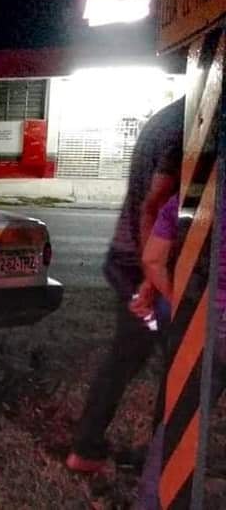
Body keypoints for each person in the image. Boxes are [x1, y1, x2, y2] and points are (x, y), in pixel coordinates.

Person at [66, 97, 186, 474]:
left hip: (134, 260)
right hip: (147, 265)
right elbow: (155, 203)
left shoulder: (169, 118)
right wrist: (153, 279)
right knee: (180, 363)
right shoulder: (189, 125)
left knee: (129, 357)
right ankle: (158, 461)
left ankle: (91, 449)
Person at [134, 193, 226, 509]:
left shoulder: (194, 195)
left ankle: (153, 503)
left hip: (206, 322)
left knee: (180, 423)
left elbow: (152, 259)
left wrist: (177, 298)